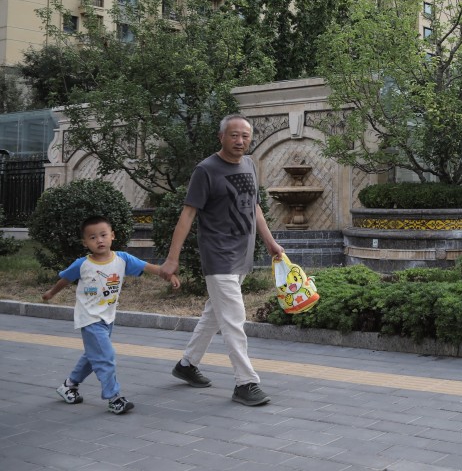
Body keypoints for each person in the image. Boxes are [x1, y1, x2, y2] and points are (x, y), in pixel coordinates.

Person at [161, 114, 284, 406]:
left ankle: (187, 365)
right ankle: (246, 382)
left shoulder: (249, 164)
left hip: (242, 253)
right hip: (218, 255)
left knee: (215, 314)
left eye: (245, 136)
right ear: (221, 137)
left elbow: (254, 206)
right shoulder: (206, 170)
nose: (240, 141)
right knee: (233, 319)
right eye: (234, 135)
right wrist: (172, 258)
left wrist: (270, 242)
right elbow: (188, 214)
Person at [42, 215, 180, 414]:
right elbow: (65, 279)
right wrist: (51, 293)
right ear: (85, 242)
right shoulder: (82, 264)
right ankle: (114, 398)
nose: (99, 240)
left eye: (103, 235)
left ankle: (69, 385)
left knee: (93, 355)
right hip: (89, 318)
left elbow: (149, 267)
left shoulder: (122, 259)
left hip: (107, 317)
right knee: (105, 357)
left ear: (112, 236)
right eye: (92, 237)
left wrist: (168, 275)